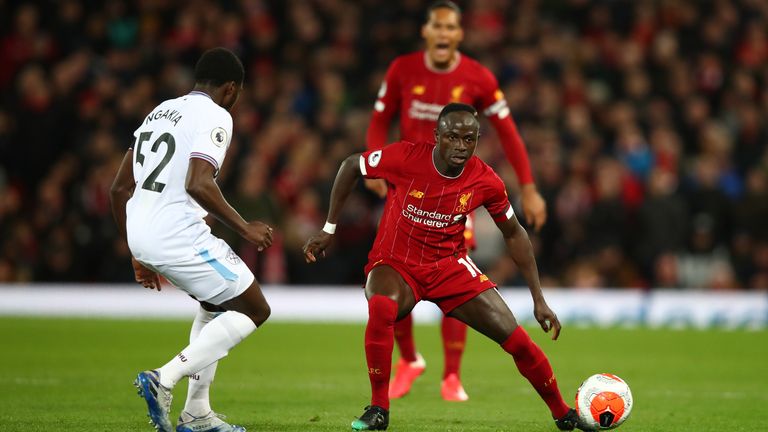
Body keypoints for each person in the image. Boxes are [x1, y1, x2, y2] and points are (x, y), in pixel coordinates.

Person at [303, 103, 582, 431]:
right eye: (452, 137)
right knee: (381, 306)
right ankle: (379, 408)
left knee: (518, 340)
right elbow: (351, 165)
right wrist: (329, 228)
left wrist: (538, 299)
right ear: (437, 136)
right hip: (396, 263)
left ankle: (563, 413)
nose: (461, 146)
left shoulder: (486, 180)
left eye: (469, 139)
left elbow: (514, 233)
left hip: (448, 267)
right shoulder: (406, 157)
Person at [365, 0, 548, 401]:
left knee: (451, 265)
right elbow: (380, 118)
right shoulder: (402, 69)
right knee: (394, 267)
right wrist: (377, 163)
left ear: (460, 34)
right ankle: (410, 359)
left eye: (451, 27)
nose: (444, 34)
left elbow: (510, 132)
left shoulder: (479, 78)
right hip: (407, 180)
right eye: (438, 26)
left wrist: (529, 186)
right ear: (426, 31)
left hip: (453, 188)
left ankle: (452, 374)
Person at [110, 47, 274, 432]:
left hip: (143, 234)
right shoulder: (217, 115)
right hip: (178, 234)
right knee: (255, 309)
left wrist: (135, 250)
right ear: (231, 89)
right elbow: (199, 182)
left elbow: (119, 189)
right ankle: (162, 378)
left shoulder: (159, 112)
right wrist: (244, 227)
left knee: (214, 303)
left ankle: (197, 413)